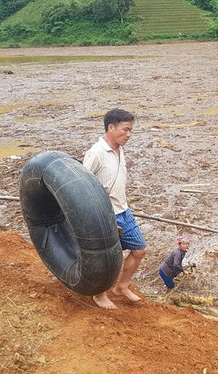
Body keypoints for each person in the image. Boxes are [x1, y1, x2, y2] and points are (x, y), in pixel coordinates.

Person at [83, 108, 148, 309]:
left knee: (139, 249)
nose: (128, 135)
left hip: (123, 210)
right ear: (111, 127)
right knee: (107, 258)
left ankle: (121, 286)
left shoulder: (120, 150)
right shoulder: (96, 153)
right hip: (104, 215)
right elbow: (80, 186)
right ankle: (99, 294)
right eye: (125, 129)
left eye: (130, 130)